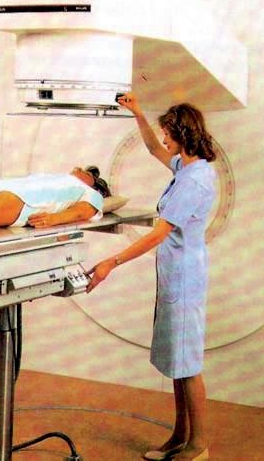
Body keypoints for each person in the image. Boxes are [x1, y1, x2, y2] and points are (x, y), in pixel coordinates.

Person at [86, 93, 215, 461]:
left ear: (182, 135)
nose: (164, 140)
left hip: (185, 279)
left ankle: (199, 445)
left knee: (188, 365)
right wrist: (138, 113)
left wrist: (111, 262)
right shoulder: (188, 168)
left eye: (168, 134)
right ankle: (180, 436)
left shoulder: (194, 181)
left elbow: (160, 234)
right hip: (177, 273)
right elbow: (152, 149)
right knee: (178, 360)